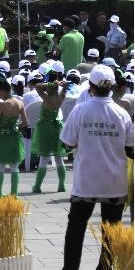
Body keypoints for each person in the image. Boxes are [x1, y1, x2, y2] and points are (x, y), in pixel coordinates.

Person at [60, 64, 134, 270]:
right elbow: (131, 149)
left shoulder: (80, 111)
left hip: (86, 182)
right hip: (114, 183)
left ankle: (70, 268)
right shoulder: (122, 114)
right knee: (111, 231)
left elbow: (67, 142)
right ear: (112, 87)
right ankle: (104, 268)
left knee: (76, 227)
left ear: (90, 87)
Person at [0, 78, 29, 198]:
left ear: (1, 92)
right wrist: (15, 127)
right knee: (14, 165)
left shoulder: (2, 105)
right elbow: (25, 122)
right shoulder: (20, 103)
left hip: (1, 137)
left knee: (0, 164)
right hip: (14, 136)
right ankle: (14, 193)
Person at [30, 71, 69, 193]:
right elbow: (64, 90)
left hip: (45, 129)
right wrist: (63, 85)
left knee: (43, 159)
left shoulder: (46, 97)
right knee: (59, 159)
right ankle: (61, 185)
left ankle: (37, 186)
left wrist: (50, 84)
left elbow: (37, 86)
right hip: (57, 128)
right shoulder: (60, 97)